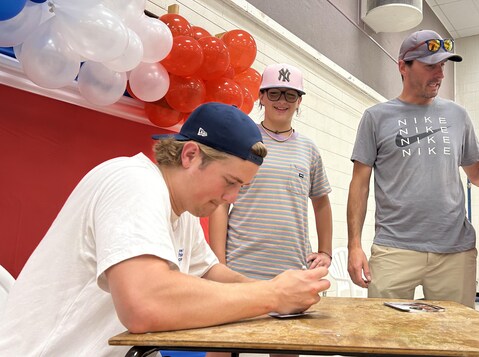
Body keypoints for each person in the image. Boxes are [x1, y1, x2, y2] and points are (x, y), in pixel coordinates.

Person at [0, 103, 330, 356]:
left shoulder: (182, 212)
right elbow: (144, 305)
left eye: (241, 187)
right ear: (190, 155)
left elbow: (210, 273)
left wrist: (281, 295)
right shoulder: (132, 182)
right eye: (230, 182)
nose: (232, 198)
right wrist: (272, 295)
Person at [347, 29, 479, 307]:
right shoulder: (376, 117)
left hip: (454, 251)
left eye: (442, 65)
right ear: (403, 66)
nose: (440, 74)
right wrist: (354, 245)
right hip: (394, 248)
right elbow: (359, 185)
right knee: (387, 339)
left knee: (453, 341)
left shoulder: (457, 115)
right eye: (430, 66)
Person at [209, 63, 333, 280]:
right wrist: (219, 263)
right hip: (240, 269)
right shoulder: (241, 139)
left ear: (299, 101)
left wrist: (325, 251)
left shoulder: (309, 149)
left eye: (290, 95)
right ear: (262, 97)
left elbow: (321, 202)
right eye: (274, 94)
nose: (282, 101)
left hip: (294, 271)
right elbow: (220, 202)